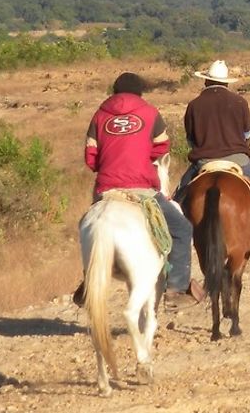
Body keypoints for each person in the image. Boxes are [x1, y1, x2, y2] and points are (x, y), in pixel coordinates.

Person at [73, 72, 205, 309]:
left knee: (87, 224)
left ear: (114, 91)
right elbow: (161, 147)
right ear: (140, 92)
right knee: (182, 229)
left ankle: (88, 279)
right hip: (142, 188)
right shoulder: (150, 112)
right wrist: (142, 158)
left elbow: (90, 158)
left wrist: (107, 166)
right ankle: (175, 288)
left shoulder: (100, 115)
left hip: (107, 188)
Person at [177, 60, 250, 251]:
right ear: (227, 83)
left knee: (178, 195)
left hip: (203, 161)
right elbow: (247, 135)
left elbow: (190, 140)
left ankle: (176, 239)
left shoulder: (194, 105)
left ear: (206, 81)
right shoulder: (239, 102)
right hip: (238, 160)